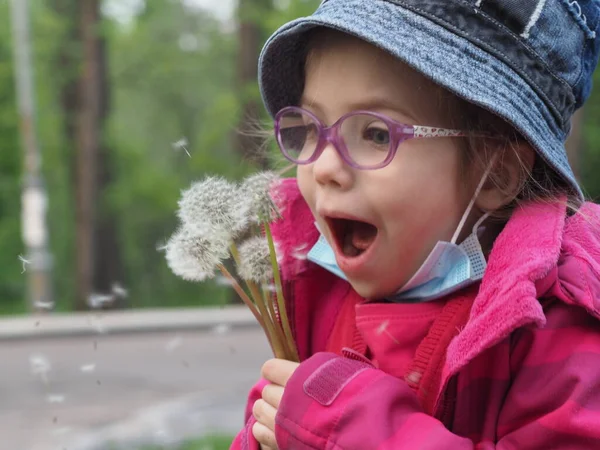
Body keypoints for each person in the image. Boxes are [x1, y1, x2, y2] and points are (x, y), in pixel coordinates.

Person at [231, 1, 600, 448]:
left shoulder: (558, 329)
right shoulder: (318, 296)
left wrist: (350, 430)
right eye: (311, 128)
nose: (324, 166)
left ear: (498, 172)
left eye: (375, 134)